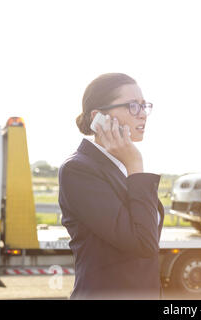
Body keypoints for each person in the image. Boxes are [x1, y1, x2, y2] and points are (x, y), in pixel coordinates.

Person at [58, 73, 164, 300]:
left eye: (144, 105)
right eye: (133, 106)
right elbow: (143, 243)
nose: (143, 114)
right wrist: (136, 164)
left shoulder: (120, 168)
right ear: (98, 117)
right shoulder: (78, 170)